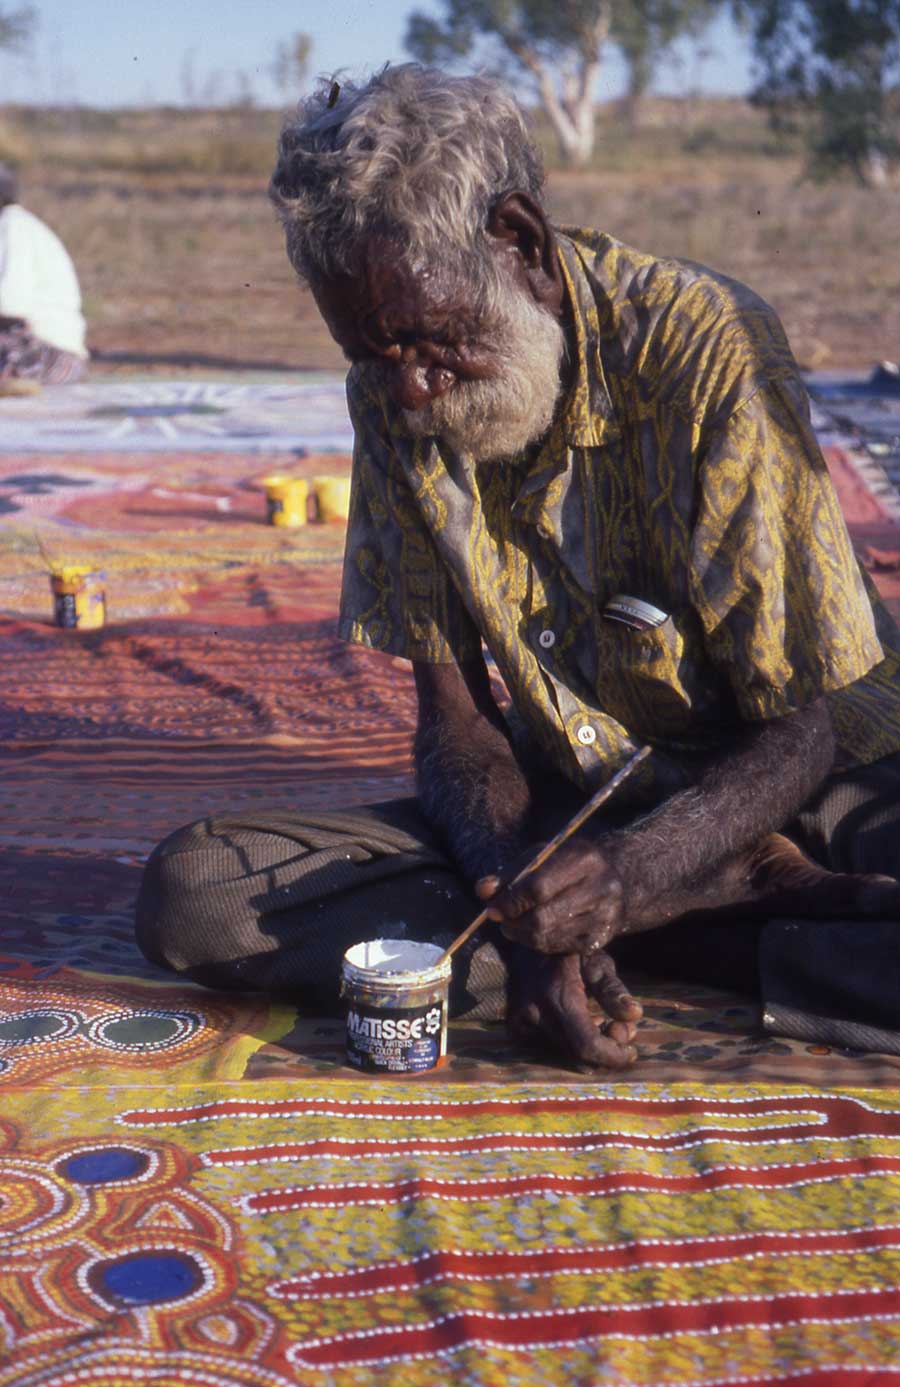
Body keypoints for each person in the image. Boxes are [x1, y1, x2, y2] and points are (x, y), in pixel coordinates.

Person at [135, 66, 900, 1067]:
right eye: (374, 353)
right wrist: (524, 893)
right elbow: (455, 730)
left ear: (522, 241)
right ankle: (698, 926)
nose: (411, 388)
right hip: (576, 807)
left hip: (814, 781)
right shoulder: (393, 388)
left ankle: (676, 918)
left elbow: (799, 735)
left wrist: (631, 877)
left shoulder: (708, 348)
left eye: (431, 339)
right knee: (196, 893)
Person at [0, 163, 88, 389]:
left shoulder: (12, 227)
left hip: (48, 355)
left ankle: (14, 379)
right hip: (51, 356)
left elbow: (9, 306)